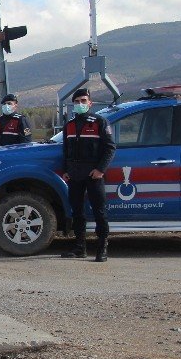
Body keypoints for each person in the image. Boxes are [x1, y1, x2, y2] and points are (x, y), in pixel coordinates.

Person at [60, 88, 116, 262]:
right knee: (77, 212)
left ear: (90, 103)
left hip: (94, 175)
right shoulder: (69, 125)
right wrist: (66, 171)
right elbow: (66, 150)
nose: (80, 104)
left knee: (99, 212)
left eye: (83, 101)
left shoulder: (100, 122)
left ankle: (102, 248)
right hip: (74, 175)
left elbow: (110, 148)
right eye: (77, 101)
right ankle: (80, 247)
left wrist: (100, 169)